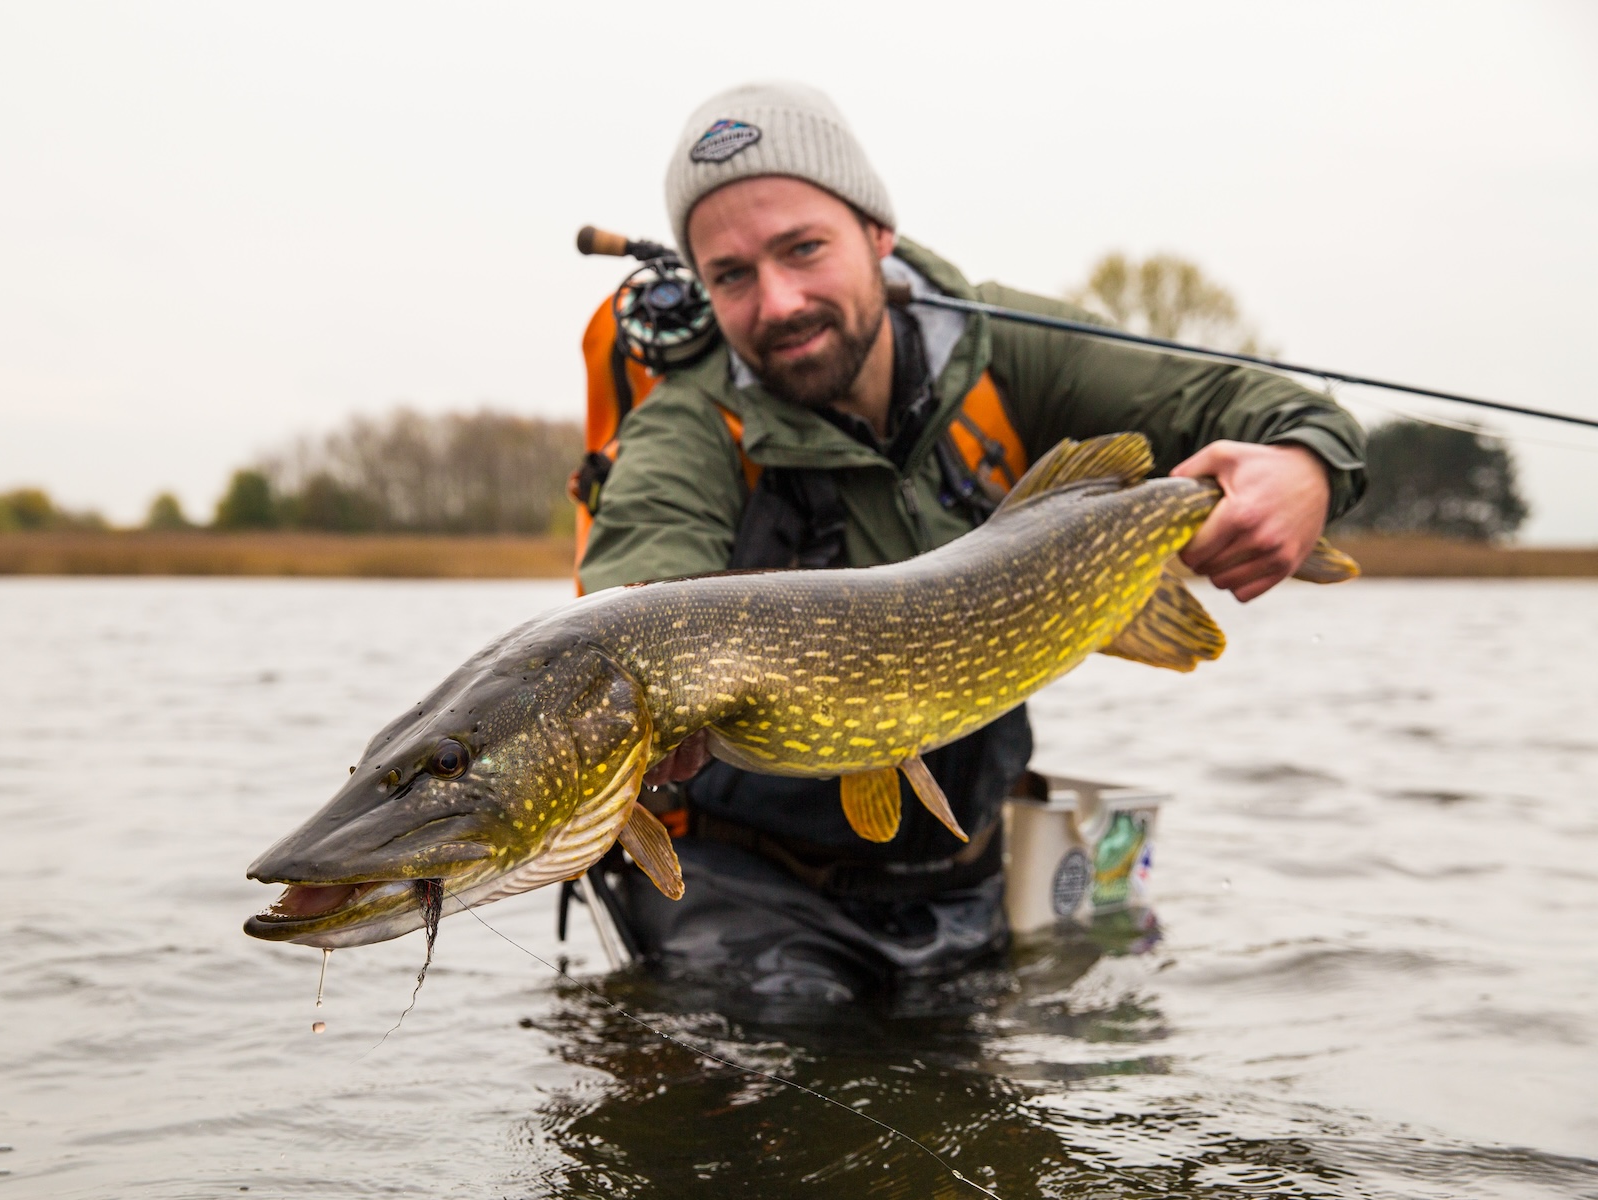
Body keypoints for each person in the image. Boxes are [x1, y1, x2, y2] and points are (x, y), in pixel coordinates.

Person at [578, 81, 1366, 1008]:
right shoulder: (687, 425)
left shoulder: (1004, 353)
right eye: (733, 276)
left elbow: (1278, 409)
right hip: (743, 895)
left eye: (803, 249)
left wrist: (1305, 468)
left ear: (877, 231)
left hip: (963, 876)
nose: (780, 300)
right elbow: (634, 591)